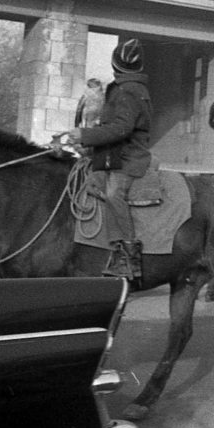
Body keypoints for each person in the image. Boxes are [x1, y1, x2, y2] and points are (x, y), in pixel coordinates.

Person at [65, 38, 151, 281]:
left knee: (114, 194)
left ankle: (128, 257)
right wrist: (88, 150)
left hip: (128, 159)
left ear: (115, 65)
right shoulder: (124, 88)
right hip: (111, 155)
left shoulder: (128, 90)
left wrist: (85, 135)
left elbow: (122, 129)